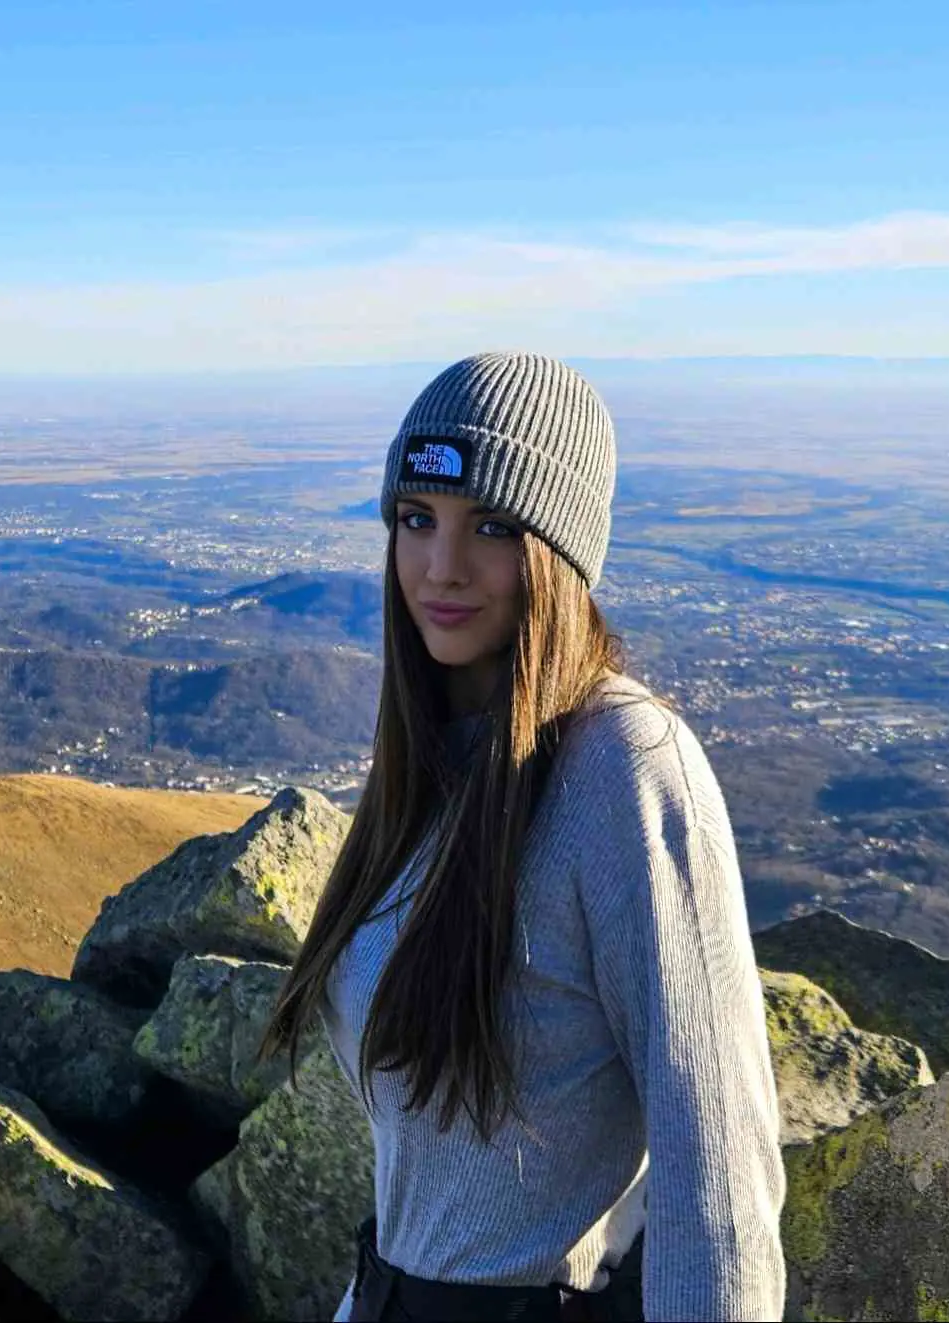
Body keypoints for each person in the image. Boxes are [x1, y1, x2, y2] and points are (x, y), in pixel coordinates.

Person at [259, 351, 786, 1322]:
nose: (441, 566)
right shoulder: (433, 762)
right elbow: (426, 1197)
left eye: (492, 527)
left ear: (559, 554)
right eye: (416, 518)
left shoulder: (626, 766)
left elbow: (718, 1174)